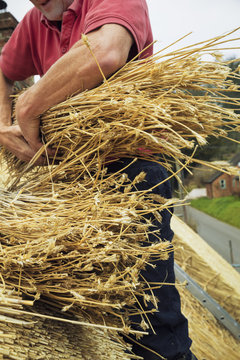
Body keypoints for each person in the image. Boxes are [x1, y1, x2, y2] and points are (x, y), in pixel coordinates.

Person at [0, 1, 197, 359]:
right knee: (78, 311)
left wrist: (29, 105)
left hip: (131, 172)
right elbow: (2, 69)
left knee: (149, 320)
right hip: (68, 178)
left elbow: (106, 50)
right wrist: (1, 124)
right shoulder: (35, 22)